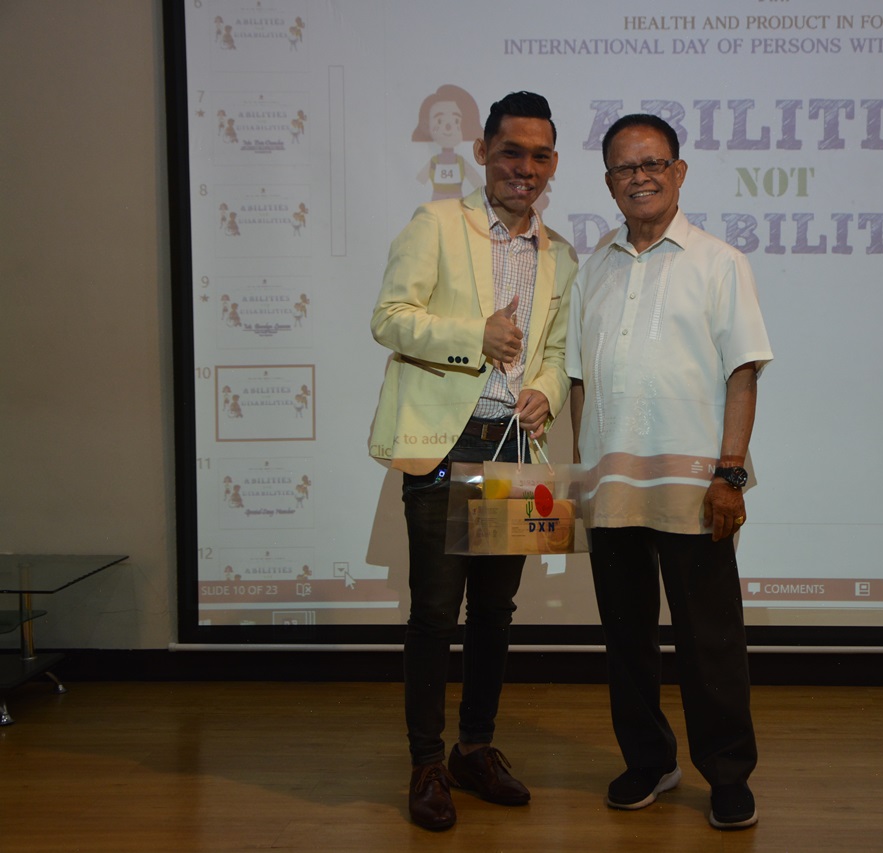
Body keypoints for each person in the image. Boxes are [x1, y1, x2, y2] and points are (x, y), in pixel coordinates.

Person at [369, 91, 575, 832]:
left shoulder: (560, 254)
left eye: (540, 155)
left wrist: (547, 391)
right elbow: (389, 317)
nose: (526, 167)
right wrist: (473, 338)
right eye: (512, 151)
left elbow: (556, 351)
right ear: (483, 152)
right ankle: (426, 762)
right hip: (445, 443)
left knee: (494, 612)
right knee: (434, 612)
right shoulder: (436, 224)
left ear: (554, 164)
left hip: (512, 447)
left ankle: (474, 749)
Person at [567, 114, 772, 830]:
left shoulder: (720, 262)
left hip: (697, 485)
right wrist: (583, 474)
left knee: (709, 640)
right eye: (625, 167)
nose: (641, 177)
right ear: (608, 182)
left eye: (653, 163)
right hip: (612, 484)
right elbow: (577, 379)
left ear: (679, 172)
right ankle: (648, 759)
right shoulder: (592, 267)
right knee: (626, 638)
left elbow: (743, 371)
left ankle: (728, 773)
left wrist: (730, 474)